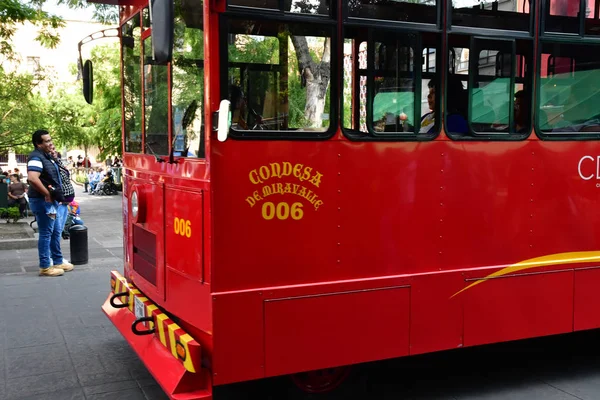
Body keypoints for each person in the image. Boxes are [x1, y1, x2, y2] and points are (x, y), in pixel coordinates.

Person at [26, 129, 74, 277]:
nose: (50, 143)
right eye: (46, 141)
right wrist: (47, 194)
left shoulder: (45, 156)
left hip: (49, 200)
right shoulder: (36, 157)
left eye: (50, 140)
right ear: (38, 143)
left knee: (53, 232)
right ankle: (45, 266)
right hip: (42, 201)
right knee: (46, 233)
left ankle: (57, 260)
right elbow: (33, 178)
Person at [49, 144, 76, 243]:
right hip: (60, 201)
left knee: (60, 228)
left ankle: (55, 256)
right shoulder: (49, 165)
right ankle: (53, 256)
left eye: (54, 150)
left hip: (65, 201)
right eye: (51, 150)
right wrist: (56, 197)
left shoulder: (57, 163)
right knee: (56, 230)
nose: (54, 152)